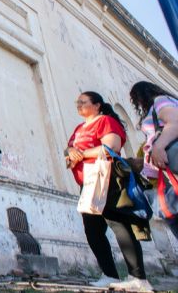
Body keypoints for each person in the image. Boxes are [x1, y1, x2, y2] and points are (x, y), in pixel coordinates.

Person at [65, 91, 152, 292]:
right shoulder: (79, 128)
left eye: (83, 101)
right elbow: (69, 149)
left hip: (107, 179)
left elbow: (110, 147)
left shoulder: (105, 121)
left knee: (118, 224)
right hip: (87, 183)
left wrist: (81, 154)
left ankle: (138, 277)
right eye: (77, 101)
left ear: (97, 105)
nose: (79, 104)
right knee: (92, 230)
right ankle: (109, 274)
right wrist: (70, 153)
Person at [129, 80, 178, 238]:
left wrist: (159, 146)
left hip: (171, 163)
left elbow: (175, 121)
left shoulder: (159, 101)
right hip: (167, 169)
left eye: (135, 98)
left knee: (173, 213)